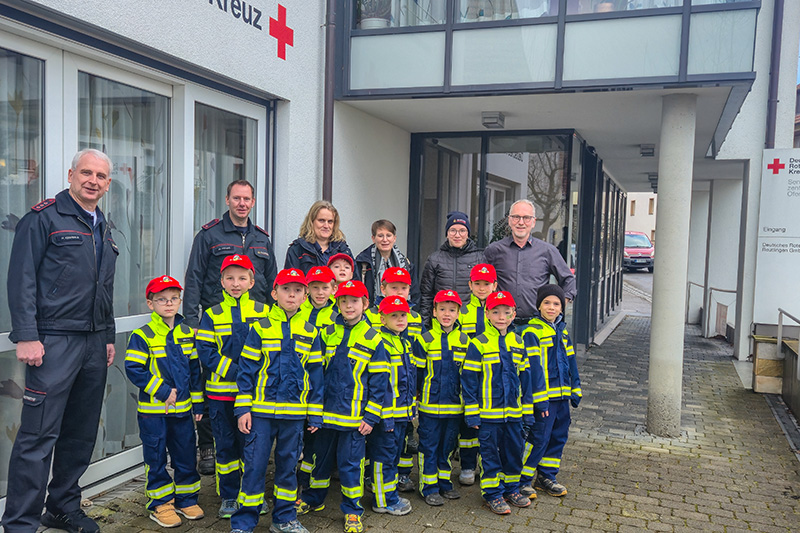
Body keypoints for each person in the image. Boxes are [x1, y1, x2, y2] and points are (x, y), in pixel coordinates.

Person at [3, 148, 118, 533]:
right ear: (71, 174)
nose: (93, 181)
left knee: (80, 432)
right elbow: (22, 279)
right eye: (86, 173)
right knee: (37, 436)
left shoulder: (102, 223)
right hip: (52, 342)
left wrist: (106, 335)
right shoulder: (44, 218)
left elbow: (104, 288)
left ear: (108, 183)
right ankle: (19, 522)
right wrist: (27, 336)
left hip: (92, 344)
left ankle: (63, 506)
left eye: (101, 176)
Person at [183, 179, 278, 474]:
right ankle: (209, 445)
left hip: (255, 322)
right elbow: (194, 278)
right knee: (214, 385)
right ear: (227, 200)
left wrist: (273, 322)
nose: (242, 203)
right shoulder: (210, 235)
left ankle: (248, 443)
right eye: (236, 198)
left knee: (248, 383)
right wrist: (192, 321)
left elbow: (272, 281)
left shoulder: (261, 239)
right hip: (217, 322)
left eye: (247, 199)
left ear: (252, 202)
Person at [231, 268, 324, 533]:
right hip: (260, 413)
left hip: (294, 416)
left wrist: (315, 415)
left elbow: (316, 377)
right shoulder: (259, 328)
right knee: (254, 467)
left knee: (287, 468)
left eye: (297, 291)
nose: (291, 295)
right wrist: (243, 409)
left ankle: (283, 519)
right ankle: (244, 523)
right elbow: (246, 371)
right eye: (286, 289)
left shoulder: (311, 332)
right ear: (275, 293)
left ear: (305, 296)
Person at [296, 280, 391, 533]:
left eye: (355, 301)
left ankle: (352, 511)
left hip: (354, 420)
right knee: (319, 460)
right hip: (325, 416)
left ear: (365, 304)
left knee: (351, 466)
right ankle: (312, 499)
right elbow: (314, 374)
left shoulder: (373, 338)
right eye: (345, 301)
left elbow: (380, 383)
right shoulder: (326, 333)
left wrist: (371, 417)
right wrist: (313, 412)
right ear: (337, 303)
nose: (349, 306)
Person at [124, 276, 205, 527]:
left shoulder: (186, 332)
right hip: (153, 413)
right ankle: (160, 504)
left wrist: (199, 405)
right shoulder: (142, 335)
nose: (168, 304)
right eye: (161, 300)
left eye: (173, 299)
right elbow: (134, 368)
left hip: (182, 412)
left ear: (180, 301)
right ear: (151, 304)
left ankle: (186, 499)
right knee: (156, 456)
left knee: (186, 455)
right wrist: (161, 390)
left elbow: (194, 371)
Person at [195, 254, 268, 519]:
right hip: (220, 395)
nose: (235, 283)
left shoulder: (264, 311)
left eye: (241, 278)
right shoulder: (212, 314)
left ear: (251, 281)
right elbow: (205, 350)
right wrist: (237, 372)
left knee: (253, 447)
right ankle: (228, 496)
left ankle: (253, 495)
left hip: (253, 397)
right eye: (230, 278)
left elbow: (271, 349)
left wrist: (251, 375)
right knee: (225, 447)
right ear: (221, 281)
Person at [461, 291, 534, 515]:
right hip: (487, 416)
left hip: (513, 414)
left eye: (506, 312)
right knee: (490, 455)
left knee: (514, 451)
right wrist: (472, 414)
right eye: (496, 312)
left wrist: (527, 413)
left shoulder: (518, 342)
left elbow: (526, 380)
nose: (501, 317)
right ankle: (492, 494)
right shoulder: (478, 343)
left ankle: (511, 489)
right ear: (487, 314)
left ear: (513, 314)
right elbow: (469, 382)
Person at [518, 284, 581, 498]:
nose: (551, 307)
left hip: (562, 398)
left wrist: (576, 387)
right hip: (544, 398)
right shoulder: (532, 331)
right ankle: (522, 479)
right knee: (538, 438)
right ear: (538, 306)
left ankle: (546, 477)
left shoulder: (563, 332)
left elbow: (571, 362)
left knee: (558, 437)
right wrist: (539, 400)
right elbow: (533, 370)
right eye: (547, 303)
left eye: (556, 304)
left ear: (562, 308)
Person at [413, 290, 469, 506]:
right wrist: (415, 399)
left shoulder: (465, 341)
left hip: (454, 407)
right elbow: (416, 373)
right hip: (429, 407)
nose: (447, 314)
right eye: (442, 309)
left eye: (452, 310)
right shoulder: (424, 339)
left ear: (458, 314)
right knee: (428, 446)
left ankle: (444, 481)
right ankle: (428, 487)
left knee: (447, 446)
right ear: (434, 312)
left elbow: (468, 376)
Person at [484, 200, 576, 326]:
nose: (521, 222)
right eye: (516, 217)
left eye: (526, 218)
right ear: (509, 220)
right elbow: (480, 283)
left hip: (537, 325)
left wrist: (558, 306)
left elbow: (568, 280)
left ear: (533, 222)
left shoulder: (547, 251)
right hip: (503, 326)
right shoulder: (494, 250)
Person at [369, 296, 418, 516]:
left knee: (393, 456)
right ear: (382, 318)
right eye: (394, 315)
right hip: (386, 415)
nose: (400, 319)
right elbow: (382, 385)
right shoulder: (381, 343)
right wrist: (385, 417)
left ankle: (389, 495)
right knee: (383, 458)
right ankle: (382, 501)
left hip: (402, 414)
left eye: (403, 315)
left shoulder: (405, 342)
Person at [455, 263, 498, 486]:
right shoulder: (461, 311)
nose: (482, 288)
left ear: (494, 285)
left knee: (489, 423)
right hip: (468, 375)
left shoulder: (499, 310)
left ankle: (487, 464)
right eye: (478, 284)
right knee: (468, 424)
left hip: (492, 376)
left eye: (487, 284)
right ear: (470, 285)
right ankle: (468, 465)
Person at [295, 265, 339, 488]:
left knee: (315, 434)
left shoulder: (336, 315)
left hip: (323, 383)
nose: (320, 292)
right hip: (296, 382)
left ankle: (308, 480)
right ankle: (292, 476)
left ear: (333, 289)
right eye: (315, 287)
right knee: (296, 434)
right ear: (307, 289)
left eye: (325, 287)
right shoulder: (296, 310)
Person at [419, 211, 485, 326]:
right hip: (441, 322)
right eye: (453, 230)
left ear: (468, 234)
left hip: (470, 322)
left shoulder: (479, 258)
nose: (457, 235)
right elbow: (426, 295)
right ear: (447, 234)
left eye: (462, 231)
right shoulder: (435, 259)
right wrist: (425, 324)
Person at [355, 219, 420, 307]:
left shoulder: (406, 264)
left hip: (400, 313)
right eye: (380, 236)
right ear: (373, 239)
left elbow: (414, 294)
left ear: (394, 238)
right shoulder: (363, 263)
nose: (385, 240)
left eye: (389, 235)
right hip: (371, 315)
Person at [285, 201, 355, 275]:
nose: (326, 226)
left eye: (330, 221)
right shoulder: (297, 250)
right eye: (321, 220)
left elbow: (355, 282)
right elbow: (290, 283)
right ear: (311, 222)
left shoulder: (343, 250)